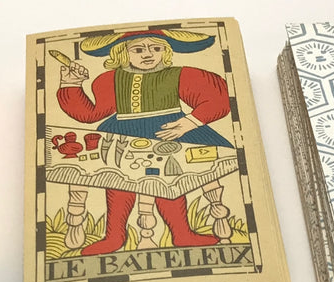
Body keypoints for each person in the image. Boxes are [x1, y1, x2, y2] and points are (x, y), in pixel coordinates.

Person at [57, 29, 232, 255]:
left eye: (156, 48)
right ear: (122, 53)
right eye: (138, 49)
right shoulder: (109, 79)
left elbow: (218, 99)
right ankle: (114, 237)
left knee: (170, 183)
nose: (148, 54)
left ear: (165, 51)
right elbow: (89, 114)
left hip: (169, 133)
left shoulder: (180, 75)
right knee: (118, 184)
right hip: (122, 133)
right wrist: (70, 84)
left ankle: (182, 234)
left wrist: (190, 122)